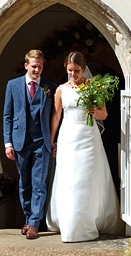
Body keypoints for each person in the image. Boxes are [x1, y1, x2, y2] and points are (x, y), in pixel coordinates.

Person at [47, 50, 120, 242]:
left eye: (77, 70)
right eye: (70, 71)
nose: (73, 74)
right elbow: (56, 116)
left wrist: (94, 110)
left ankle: (88, 220)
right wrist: (52, 140)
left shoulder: (93, 87)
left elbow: (104, 115)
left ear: (83, 68)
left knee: (86, 178)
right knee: (69, 178)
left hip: (88, 137)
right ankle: (69, 222)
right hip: (68, 137)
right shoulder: (61, 90)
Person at [3, 49, 55, 240]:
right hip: (20, 142)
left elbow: (55, 116)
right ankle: (27, 218)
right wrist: (8, 142)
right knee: (24, 183)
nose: (37, 70)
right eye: (34, 66)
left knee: (39, 182)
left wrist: (54, 140)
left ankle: (34, 223)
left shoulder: (50, 86)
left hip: (42, 141)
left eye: (40, 67)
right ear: (26, 65)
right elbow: (7, 115)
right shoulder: (13, 85)